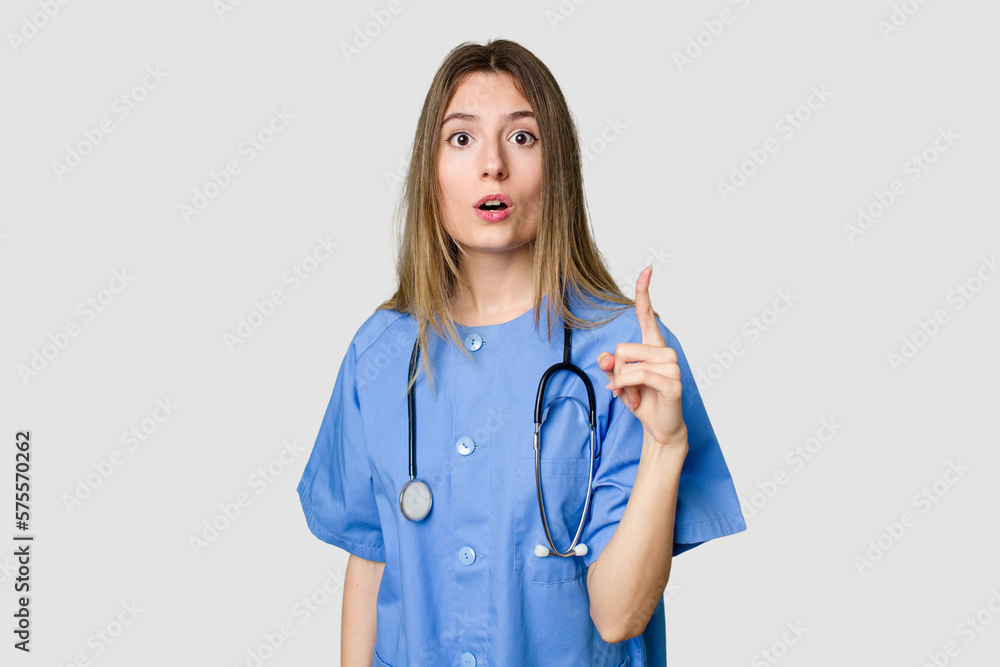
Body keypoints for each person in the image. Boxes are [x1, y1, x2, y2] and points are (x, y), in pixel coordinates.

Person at [296, 38, 747, 667]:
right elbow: (370, 559)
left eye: (523, 137)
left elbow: (618, 617)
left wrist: (666, 446)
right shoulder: (380, 353)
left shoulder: (626, 355)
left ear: (556, 166)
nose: (492, 166)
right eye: (461, 139)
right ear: (430, 173)